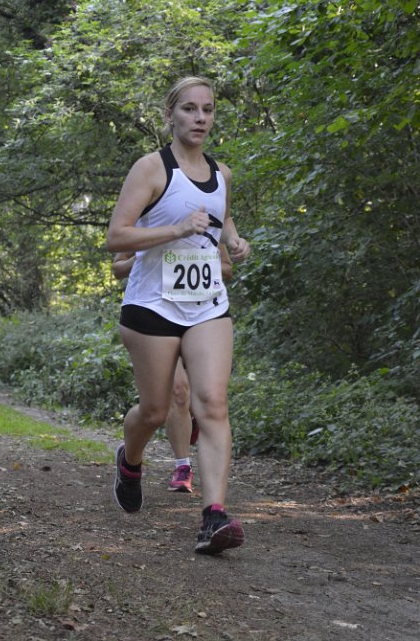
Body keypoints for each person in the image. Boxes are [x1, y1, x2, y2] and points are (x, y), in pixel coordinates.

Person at [106, 76, 250, 555]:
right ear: (170, 115)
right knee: (155, 410)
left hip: (207, 304)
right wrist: (174, 229)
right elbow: (117, 237)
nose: (200, 118)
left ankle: (214, 517)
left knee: (212, 404)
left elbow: (221, 217)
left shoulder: (222, 172)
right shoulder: (151, 168)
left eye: (207, 109)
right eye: (189, 109)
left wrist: (235, 241)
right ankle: (130, 461)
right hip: (152, 305)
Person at [112, 244, 233, 494]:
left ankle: (191, 418)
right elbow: (118, 268)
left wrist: (196, 262)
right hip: (156, 317)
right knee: (178, 391)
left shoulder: (207, 225)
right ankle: (182, 466)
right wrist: (146, 259)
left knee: (199, 397)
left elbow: (227, 269)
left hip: (201, 319)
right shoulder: (145, 224)